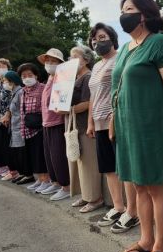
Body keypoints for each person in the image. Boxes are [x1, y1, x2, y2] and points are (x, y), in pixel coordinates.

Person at [113, 0, 163, 252]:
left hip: (152, 125)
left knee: (155, 186)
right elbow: (117, 89)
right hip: (126, 125)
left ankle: (161, 246)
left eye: (129, 8)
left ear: (144, 14)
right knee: (138, 186)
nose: (123, 14)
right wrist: (112, 124)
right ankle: (144, 240)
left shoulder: (159, 43)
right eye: (121, 8)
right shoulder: (125, 49)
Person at [87, 23, 140, 233]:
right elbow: (93, 95)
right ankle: (118, 206)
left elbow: (125, 88)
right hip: (99, 123)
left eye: (102, 37)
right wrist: (91, 121)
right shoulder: (97, 65)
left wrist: (114, 115)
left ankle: (132, 212)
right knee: (109, 168)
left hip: (116, 121)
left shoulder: (121, 57)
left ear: (111, 38)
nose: (97, 42)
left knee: (124, 168)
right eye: (94, 39)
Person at [67, 45, 104, 213]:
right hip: (77, 125)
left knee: (89, 164)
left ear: (86, 60)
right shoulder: (75, 78)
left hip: (84, 125)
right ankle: (86, 195)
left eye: (75, 57)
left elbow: (89, 103)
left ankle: (95, 198)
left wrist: (68, 109)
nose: (71, 60)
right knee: (81, 163)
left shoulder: (88, 76)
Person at [36, 49, 70, 200]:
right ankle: (56, 182)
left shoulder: (63, 79)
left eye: (53, 61)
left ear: (60, 64)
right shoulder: (49, 79)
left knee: (58, 156)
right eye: (47, 61)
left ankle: (66, 186)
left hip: (58, 122)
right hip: (46, 123)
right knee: (49, 157)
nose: (49, 64)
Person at [14, 63, 47, 186]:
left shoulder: (43, 88)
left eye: (30, 75)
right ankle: (39, 179)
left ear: (36, 76)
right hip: (27, 128)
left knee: (40, 155)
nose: (27, 78)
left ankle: (46, 180)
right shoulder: (22, 91)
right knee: (32, 155)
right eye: (24, 76)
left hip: (39, 127)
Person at [0, 71, 24, 181]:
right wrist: (7, 115)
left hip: (19, 126)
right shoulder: (14, 92)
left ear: (12, 81)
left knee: (20, 151)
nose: (3, 83)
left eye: (5, 81)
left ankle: (23, 173)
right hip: (14, 126)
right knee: (15, 151)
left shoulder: (20, 92)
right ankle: (19, 172)